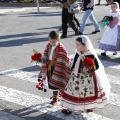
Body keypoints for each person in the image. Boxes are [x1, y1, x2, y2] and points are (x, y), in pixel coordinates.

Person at [61, 35, 111, 114]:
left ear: (84, 45)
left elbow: (96, 66)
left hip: (88, 79)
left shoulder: (90, 54)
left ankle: (89, 106)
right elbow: (74, 63)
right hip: (76, 76)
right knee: (72, 91)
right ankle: (69, 107)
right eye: (76, 45)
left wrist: (90, 68)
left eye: (78, 45)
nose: (76, 47)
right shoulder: (77, 53)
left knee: (87, 92)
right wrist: (70, 70)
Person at [38, 30, 71, 106]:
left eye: (53, 42)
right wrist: (42, 59)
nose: (51, 43)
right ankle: (58, 95)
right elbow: (45, 54)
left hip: (58, 68)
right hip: (50, 66)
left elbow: (66, 59)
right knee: (52, 83)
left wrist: (69, 67)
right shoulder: (48, 46)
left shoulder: (61, 49)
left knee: (56, 84)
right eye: (50, 41)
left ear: (58, 40)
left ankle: (55, 98)